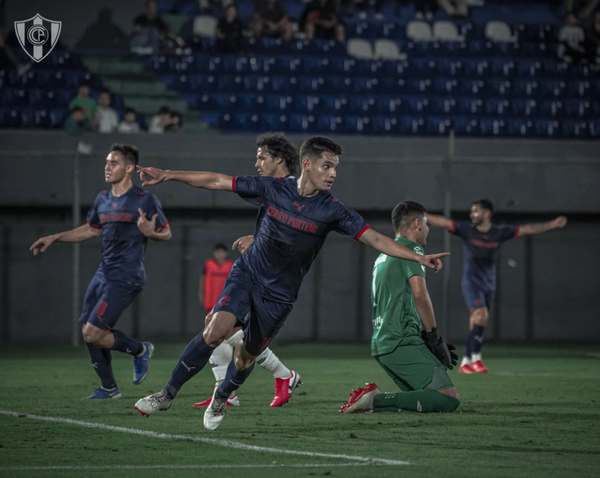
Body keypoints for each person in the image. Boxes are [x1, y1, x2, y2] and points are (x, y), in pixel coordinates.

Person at [133, 136, 448, 431]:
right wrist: (168, 175)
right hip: (249, 273)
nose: (333, 173)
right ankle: (166, 395)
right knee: (215, 330)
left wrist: (416, 257)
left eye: (335, 167)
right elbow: (217, 180)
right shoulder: (272, 188)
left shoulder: (332, 210)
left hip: (280, 296)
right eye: (327, 166)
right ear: (307, 165)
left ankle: (220, 398)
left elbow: (374, 238)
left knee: (245, 356)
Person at [29, 144, 171, 399]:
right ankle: (109, 388)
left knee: (93, 332)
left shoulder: (145, 199)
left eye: (113, 163)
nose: (107, 167)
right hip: (103, 273)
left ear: (129, 168)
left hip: (126, 276)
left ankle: (140, 350)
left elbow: (166, 232)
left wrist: (152, 233)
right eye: (106, 162)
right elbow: (90, 229)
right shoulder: (102, 199)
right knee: (89, 329)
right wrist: (55, 237)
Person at [193, 133, 303, 409]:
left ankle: (283, 375)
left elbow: (299, 232)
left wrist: (169, 174)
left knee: (235, 336)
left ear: (279, 159)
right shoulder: (273, 189)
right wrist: (257, 239)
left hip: (271, 279)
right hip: (259, 270)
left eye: (261, 157)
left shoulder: (294, 191)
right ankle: (227, 390)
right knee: (215, 324)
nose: (256, 163)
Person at [340, 201, 459, 415]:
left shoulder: (382, 256)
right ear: (417, 223)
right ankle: (373, 400)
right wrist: (433, 337)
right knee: (448, 399)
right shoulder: (411, 249)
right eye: (426, 223)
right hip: (402, 340)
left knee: (423, 401)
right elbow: (420, 295)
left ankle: (376, 401)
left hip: (384, 344)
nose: (428, 229)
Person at [427, 200, 567, 374]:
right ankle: (471, 360)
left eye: (475, 211)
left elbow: (528, 229)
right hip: (471, 283)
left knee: (479, 321)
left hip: (489, 284)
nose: (472, 215)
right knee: (481, 315)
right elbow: (444, 222)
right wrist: (420, 215)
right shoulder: (468, 230)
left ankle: (471, 360)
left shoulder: (499, 233)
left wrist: (552, 224)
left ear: (487, 214)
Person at [199, 244, 234, 316]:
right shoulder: (209, 264)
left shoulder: (231, 265)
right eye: (217, 252)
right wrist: (201, 294)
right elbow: (203, 280)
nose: (220, 255)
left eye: (222, 252)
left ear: (226, 254)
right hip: (211, 300)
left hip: (226, 301)